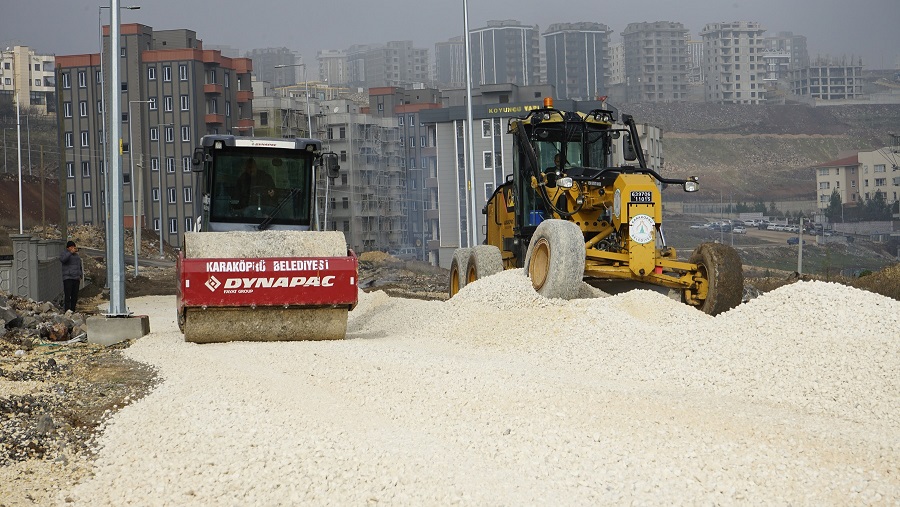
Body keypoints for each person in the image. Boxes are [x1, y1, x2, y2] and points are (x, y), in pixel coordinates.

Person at [59, 240, 83, 313]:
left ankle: (73, 309)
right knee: (68, 295)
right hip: (68, 278)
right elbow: (63, 260)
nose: (73, 248)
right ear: (68, 248)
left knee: (74, 296)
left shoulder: (77, 256)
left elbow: (79, 265)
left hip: (76, 278)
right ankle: (67, 310)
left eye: (74, 247)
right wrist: (70, 253)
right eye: (72, 247)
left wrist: (80, 274)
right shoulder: (64, 253)